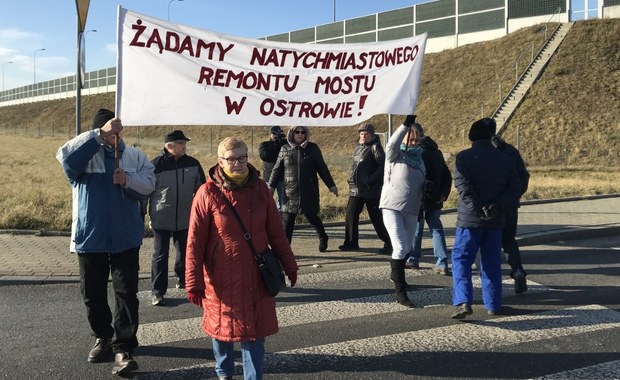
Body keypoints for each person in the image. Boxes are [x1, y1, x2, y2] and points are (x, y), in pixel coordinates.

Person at [185, 137, 298, 380]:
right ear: (220, 161)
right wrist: (193, 282)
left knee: (255, 332)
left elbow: (276, 232)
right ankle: (223, 373)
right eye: (231, 159)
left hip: (257, 272)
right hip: (221, 276)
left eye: (242, 158)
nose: (237, 163)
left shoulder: (261, 190)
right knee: (222, 329)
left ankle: (253, 377)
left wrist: (289, 264)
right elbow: (194, 241)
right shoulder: (207, 193)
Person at [56, 109, 155, 376]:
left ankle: (124, 348)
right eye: (108, 130)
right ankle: (103, 337)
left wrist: (128, 180)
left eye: (117, 129)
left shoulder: (134, 156)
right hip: (91, 237)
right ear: (98, 131)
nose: (114, 134)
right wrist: (98, 137)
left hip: (126, 237)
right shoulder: (84, 157)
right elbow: (66, 160)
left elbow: (149, 184)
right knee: (92, 294)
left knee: (126, 295)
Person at [450, 118, 520, 319]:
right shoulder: (505, 159)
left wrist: (478, 209)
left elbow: (463, 188)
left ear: (472, 136)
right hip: (495, 220)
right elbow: (515, 188)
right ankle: (494, 304)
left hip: (470, 220)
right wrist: (496, 206)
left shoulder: (463, 158)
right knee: (491, 262)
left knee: (461, 260)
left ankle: (463, 301)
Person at [148, 130, 206, 306]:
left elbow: (203, 190)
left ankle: (183, 279)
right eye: (181, 143)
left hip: (186, 217)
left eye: (185, 143)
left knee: (185, 253)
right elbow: (146, 191)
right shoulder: (155, 165)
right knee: (160, 254)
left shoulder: (193, 164)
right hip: (161, 218)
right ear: (170, 146)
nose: (184, 146)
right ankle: (157, 291)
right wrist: (140, 213)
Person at [380, 115, 426, 308]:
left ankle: (395, 273)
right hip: (392, 206)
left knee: (407, 248)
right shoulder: (395, 156)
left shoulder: (420, 160)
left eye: (416, 139)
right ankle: (400, 292)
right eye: (410, 139)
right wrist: (405, 125)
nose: (413, 142)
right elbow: (391, 144)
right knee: (399, 247)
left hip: (412, 209)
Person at [268, 126, 338, 252]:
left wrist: (331, 186)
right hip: (290, 192)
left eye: (303, 132)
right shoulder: (285, 149)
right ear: (292, 133)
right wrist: (271, 187)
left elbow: (322, 168)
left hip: (308, 191)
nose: (300, 135)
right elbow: (277, 169)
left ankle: (323, 236)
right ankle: (285, 250)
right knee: (287, 222)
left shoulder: (313, 148)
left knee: (312, 217)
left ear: (306, 134)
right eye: (297, 132)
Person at [486, 118, 530, 293]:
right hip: (511, 204)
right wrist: (516, 194)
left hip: (492, 206)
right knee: (509, 240)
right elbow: (524, 176)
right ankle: (518, 270)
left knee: (490, 242)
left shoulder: (484, 152)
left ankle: (493, 281)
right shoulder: (511, 150)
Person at [405, 124, 453, 275]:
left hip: (419, 197)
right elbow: (447, 175)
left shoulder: (416, 153)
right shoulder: (436, 151)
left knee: (416, 229)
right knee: (436, 229)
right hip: (436, 197)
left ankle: (413, 258)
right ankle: (442, 262)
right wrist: (444, 194)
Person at [339, 122, 392, 254]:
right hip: (355, 189)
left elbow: (382, 167)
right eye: (361, 133)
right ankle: (351, 242)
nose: (363, 136)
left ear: (372, 135)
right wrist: (350, 179)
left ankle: (390, 242)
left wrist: (370, 181)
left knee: (376, 218)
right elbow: (355, 166)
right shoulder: (358, 147)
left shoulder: (376, 147)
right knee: (351, 215)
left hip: (371, 190)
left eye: (366, 134)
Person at [259, 126, 286, 209]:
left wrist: (283, 142)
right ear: (270, 134)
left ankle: (280, 217)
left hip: (282, 177)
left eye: (278, 133)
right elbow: (264, 156)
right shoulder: (265, 144)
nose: (276, 135)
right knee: (266, 200)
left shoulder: (284, 145)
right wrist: (275, 144)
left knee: (283, 202)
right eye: (274, 133)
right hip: (269, 177)